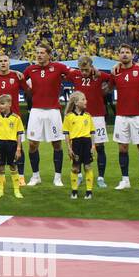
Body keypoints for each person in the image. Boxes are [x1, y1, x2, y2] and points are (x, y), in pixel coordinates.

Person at [23, 44, 70, 187]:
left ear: (49, 54)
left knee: (56, 144)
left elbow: (73, 75)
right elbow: (20, 80)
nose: (39, 55)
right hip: (36, 111)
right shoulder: (31, 69)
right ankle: (36, 176)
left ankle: (57, 177)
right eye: (37, 53)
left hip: (53, 111)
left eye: (42, 53)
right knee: (32, 144)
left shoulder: (59, 67)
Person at [111, 45, 139, 191]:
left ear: (132, 54)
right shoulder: (115, 72)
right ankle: (125, 180)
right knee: (122, 148)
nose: (124, 55)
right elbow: (106, 88)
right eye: (122, 52)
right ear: (118, 55)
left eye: (127, 52)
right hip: (121, 117)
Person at [66, 55, 112, 189]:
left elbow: (113, 79)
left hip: (97, 116)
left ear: (92, 66)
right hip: (78, 117)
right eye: (82, 69)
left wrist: (104, 87)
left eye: (86, 69)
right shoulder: (75, 75)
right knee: (78, 147)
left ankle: (101, 177)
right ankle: (79, 175)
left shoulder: (100, 75)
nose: (84, 72)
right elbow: (61, 73)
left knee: (100, 147)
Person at [0, 94, 25, 200]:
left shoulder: (16, 118)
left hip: (12, 145)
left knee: (13, 167)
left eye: (3, 104)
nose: (0, 106)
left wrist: (18, 149)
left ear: (9, 104)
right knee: (0, 167)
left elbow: (19, 135)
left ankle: (17, 190)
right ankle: (0, 191)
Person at [62, 91, 95, 200]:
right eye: (83, 99)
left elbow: (92, 132)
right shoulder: (69, 117)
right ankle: (74, 191)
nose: (86, 101)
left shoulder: (88, 116)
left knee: (87, 166)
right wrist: (69, 148)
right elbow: (66, 134)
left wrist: (93, 146)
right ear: (76, 102)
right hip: (75, 144)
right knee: (75, 168)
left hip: (87, 143)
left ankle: (89, 191)